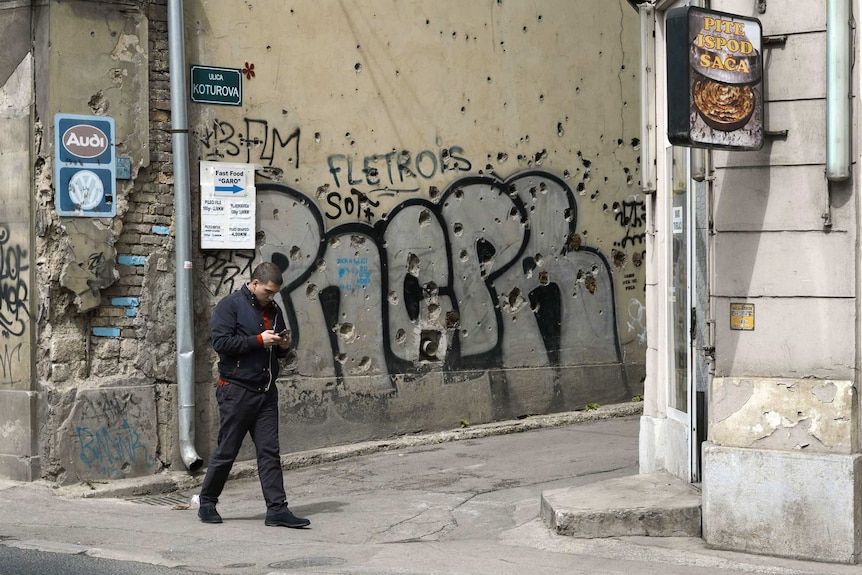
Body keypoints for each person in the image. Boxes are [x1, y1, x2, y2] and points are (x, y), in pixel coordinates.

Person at [197, 262, 310, 528]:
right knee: (227, 450)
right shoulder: (230, 305)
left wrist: (282, 344)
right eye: (268, 291)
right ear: (255, 283)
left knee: (270, 452)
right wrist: (258, 340)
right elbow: (221, 343)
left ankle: (277, 510)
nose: (271, 297)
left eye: (275, 293)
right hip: (237, 390)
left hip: (266, 391)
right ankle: (207, 502)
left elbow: (278, 349)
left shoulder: (274, 309)